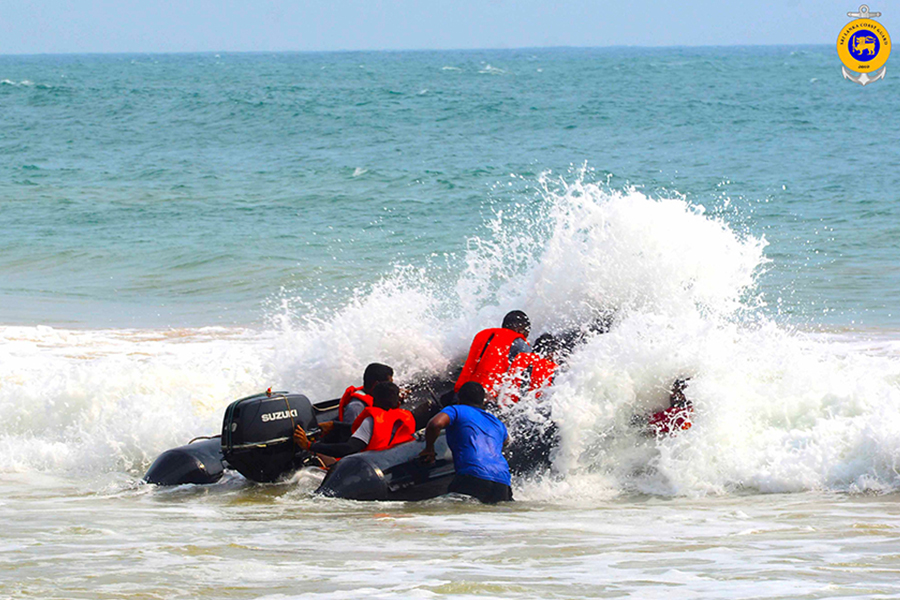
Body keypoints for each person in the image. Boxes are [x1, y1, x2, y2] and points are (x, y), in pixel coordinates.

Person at [420, 382, 513, 503]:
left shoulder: (456, 410)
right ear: (483, 400)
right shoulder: (497, 422)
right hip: (502, 481)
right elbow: (505, 442)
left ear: (459, 398)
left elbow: (435, 424)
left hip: (473, 476)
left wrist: (429, 449)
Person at [294, 381, 416, 465]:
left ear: (373, 399)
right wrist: (335, 425)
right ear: (398, 402)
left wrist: (309, 445)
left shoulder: (371, 421)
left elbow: (349, 448)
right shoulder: (406, 418)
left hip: (369, 468)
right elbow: (376, 432)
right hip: (392, 465)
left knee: (317, 458)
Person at [451, 310, 532, 403]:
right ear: (519, 330)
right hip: (486, 400)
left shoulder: (482, 334)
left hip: (460, 394)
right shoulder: (520, 343)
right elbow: (527, 374)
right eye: (526, 334)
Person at [502, 333, 560, 405]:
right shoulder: (553, 368)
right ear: (551, 353)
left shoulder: (520, 357)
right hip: (532, 409)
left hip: (507, 404)